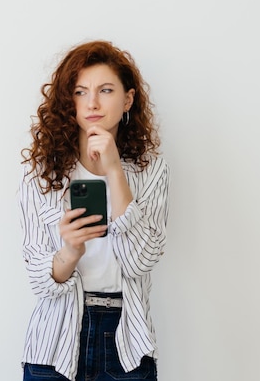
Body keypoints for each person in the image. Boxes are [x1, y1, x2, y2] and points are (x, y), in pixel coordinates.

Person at [18, 40, 170, 381]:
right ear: (67, 101)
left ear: (127, 99)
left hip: (126, 342)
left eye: (105, 90)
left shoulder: (152, 172)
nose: (93, 103)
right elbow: (39, 282)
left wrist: (115, 171)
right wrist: (70, 251)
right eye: (80, 92)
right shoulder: (41, 174)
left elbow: (141, 260)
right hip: (55, 341)